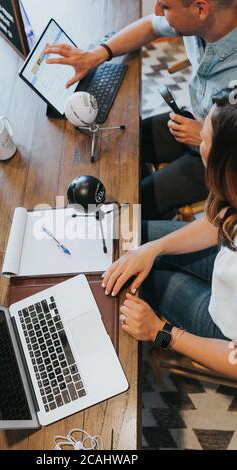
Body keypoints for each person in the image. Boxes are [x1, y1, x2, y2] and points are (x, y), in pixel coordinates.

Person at [44, 0, 237, 219]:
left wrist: (205, 136)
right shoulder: (202, 21)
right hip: (194, 121)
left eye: (165, 7)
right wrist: (99, 54)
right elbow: (151, 26)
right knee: (122, 142)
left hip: (221, 158)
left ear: (201, 9)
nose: (157, 11)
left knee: (130, 203)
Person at [101, 88, 237, 380]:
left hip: (225, 330)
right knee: (129, 240)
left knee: (133, 282)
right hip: (227, 268)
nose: (198, 140)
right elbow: (220, 221)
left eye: (204, 138)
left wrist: (161, 333)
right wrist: (152, 249)